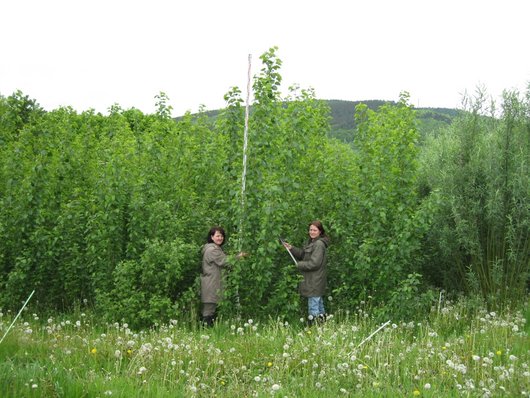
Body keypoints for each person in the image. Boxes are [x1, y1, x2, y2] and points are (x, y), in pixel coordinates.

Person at [283, 220, 329, 326]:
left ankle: (313, 329)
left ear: (320, 231)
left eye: (314, 230)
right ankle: (323, 328)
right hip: (313, 280)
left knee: (313, 306)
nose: (312, 232)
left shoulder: (319, 244)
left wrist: (300, 265)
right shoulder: (312, 242)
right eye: (310, 230)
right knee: (319, 305)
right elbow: (304, 255)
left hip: (315, 281)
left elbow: (314, 263)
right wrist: (291, 248)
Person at [200, 226, 246, 327]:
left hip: (212, 283)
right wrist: (239, 256)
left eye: (221, 236)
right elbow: (226, 261)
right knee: (209, 311)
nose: (220, 238)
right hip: (211, 284)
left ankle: (209, 332)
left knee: (212, 310)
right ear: (212, 237)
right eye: (217, 236)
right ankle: (205, 332)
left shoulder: (214, 248)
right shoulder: (212, 250)